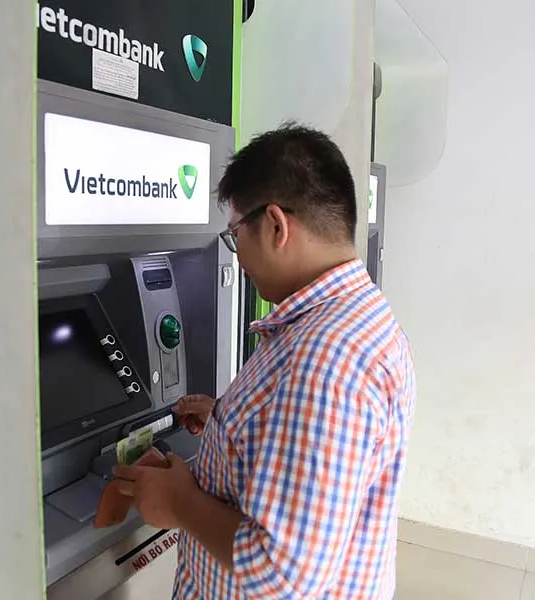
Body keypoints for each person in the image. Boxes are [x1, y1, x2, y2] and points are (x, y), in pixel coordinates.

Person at [114, 123, 416, 599]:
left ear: (276, 225)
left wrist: (179, 502)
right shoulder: (359, 321)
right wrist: (232, 425)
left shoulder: (326, 359)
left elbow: (283, 574)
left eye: (236, 233)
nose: (238, 256)